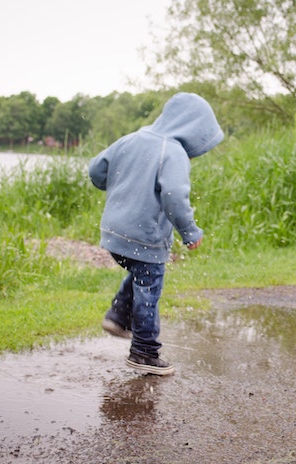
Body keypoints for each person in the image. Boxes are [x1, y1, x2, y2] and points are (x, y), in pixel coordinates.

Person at [88, 92, 224, 375]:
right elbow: (174, 196)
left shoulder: (131, 139)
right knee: (149, 287)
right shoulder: (171, 150)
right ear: (192, 127)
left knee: (141, 273)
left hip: (113, 233)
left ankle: (118, 315)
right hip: (145, 236)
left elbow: (96, 170)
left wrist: (120, 186)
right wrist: (189, 231)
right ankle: (144, 352)